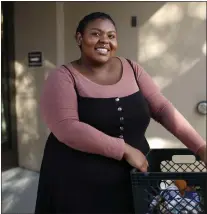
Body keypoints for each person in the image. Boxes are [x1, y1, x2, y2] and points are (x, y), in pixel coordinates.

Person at [35, 12, 206, 214]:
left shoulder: (133, 69)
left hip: (132, 177)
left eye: (111, 35)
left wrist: (200, 147)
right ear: (79, 38)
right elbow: (66, 127)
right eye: (95, 34)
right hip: (77, 183)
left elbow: (161, 109)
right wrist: (124, 149)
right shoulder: (63, 77)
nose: (104, 41)